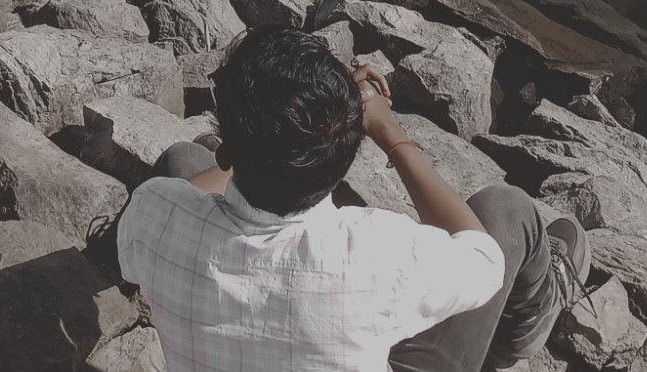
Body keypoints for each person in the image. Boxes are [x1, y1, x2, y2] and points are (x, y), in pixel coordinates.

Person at [115, 25, 590, 371]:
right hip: (360, 320)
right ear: (344, 163)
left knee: (183, 158)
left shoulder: (156, 212)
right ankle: (517, 334)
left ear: (230, 150)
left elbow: (198, 187)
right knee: (507, 210)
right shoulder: (372, 255)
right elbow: (484, 262)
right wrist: (391, 135)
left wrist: (276, 129)